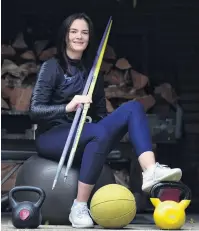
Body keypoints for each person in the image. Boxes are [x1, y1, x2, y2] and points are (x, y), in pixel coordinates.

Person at [29, 12, 182, 228]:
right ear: (65, 36)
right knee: (97, 132)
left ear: (90, 37)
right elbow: (35, 111)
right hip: (53, 136)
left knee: (133, 108)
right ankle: (79, 206)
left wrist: (114, 126)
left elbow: (100, 115)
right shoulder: (51, 67)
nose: (79, 36)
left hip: (87, 134)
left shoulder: (92, 73)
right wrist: (68, 106)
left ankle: (150, 171)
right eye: (74, 31)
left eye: (84, 32)